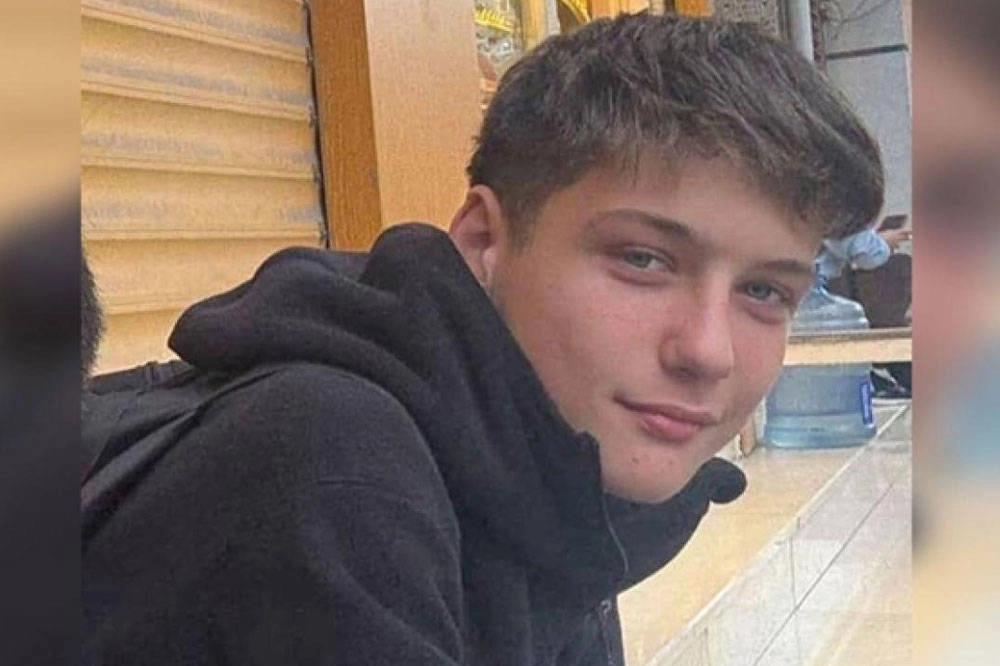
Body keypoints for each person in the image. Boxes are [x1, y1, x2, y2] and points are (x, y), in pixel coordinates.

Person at [81, 13, 883, 666]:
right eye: (643, 260)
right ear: (483, 241)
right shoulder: (336, 469)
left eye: (764, 292)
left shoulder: (550, 476)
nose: (708, 351)